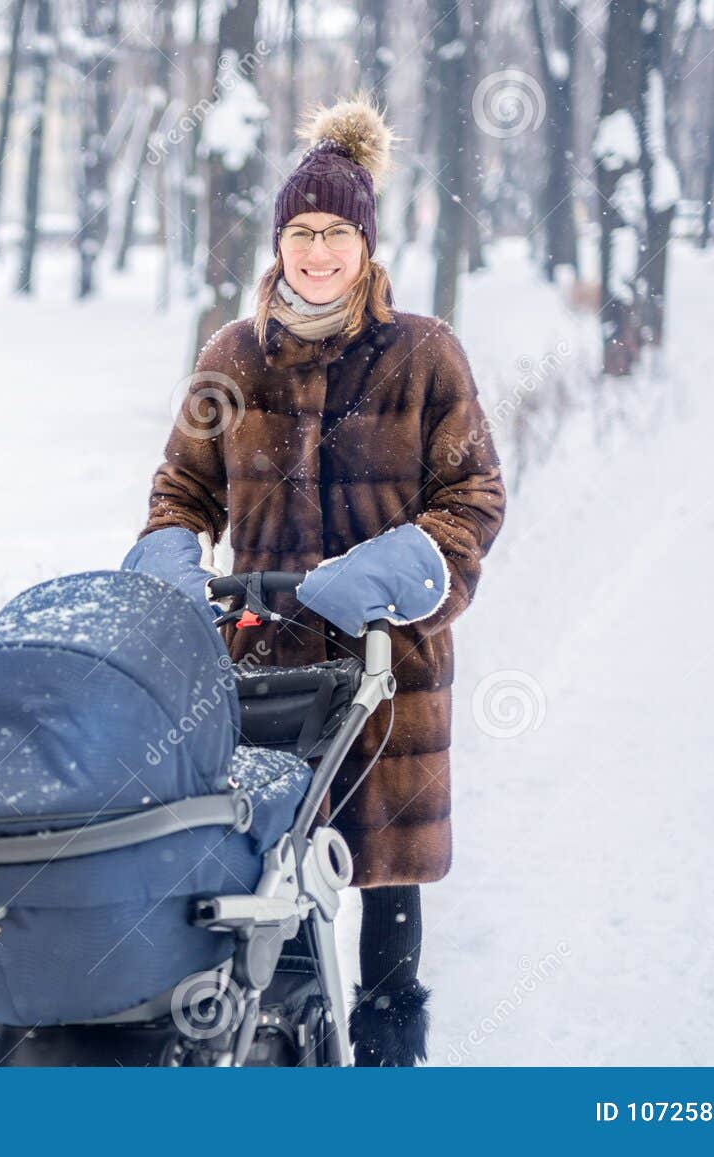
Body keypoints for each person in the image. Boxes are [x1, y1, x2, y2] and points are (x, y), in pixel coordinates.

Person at [124, 96, 506, 1066]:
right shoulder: (231, 356)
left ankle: (384, 1051)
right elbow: (180, 490)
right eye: (301, 231)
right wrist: (173, 563)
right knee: (267, 861)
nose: (317, 252)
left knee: (383, 868)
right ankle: (282, 1045)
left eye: (336, 232)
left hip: (387, 665)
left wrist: (385, 570)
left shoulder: (424, 355)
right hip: (258, 659)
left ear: (366, 243)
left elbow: (472, 497)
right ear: (280, 239)